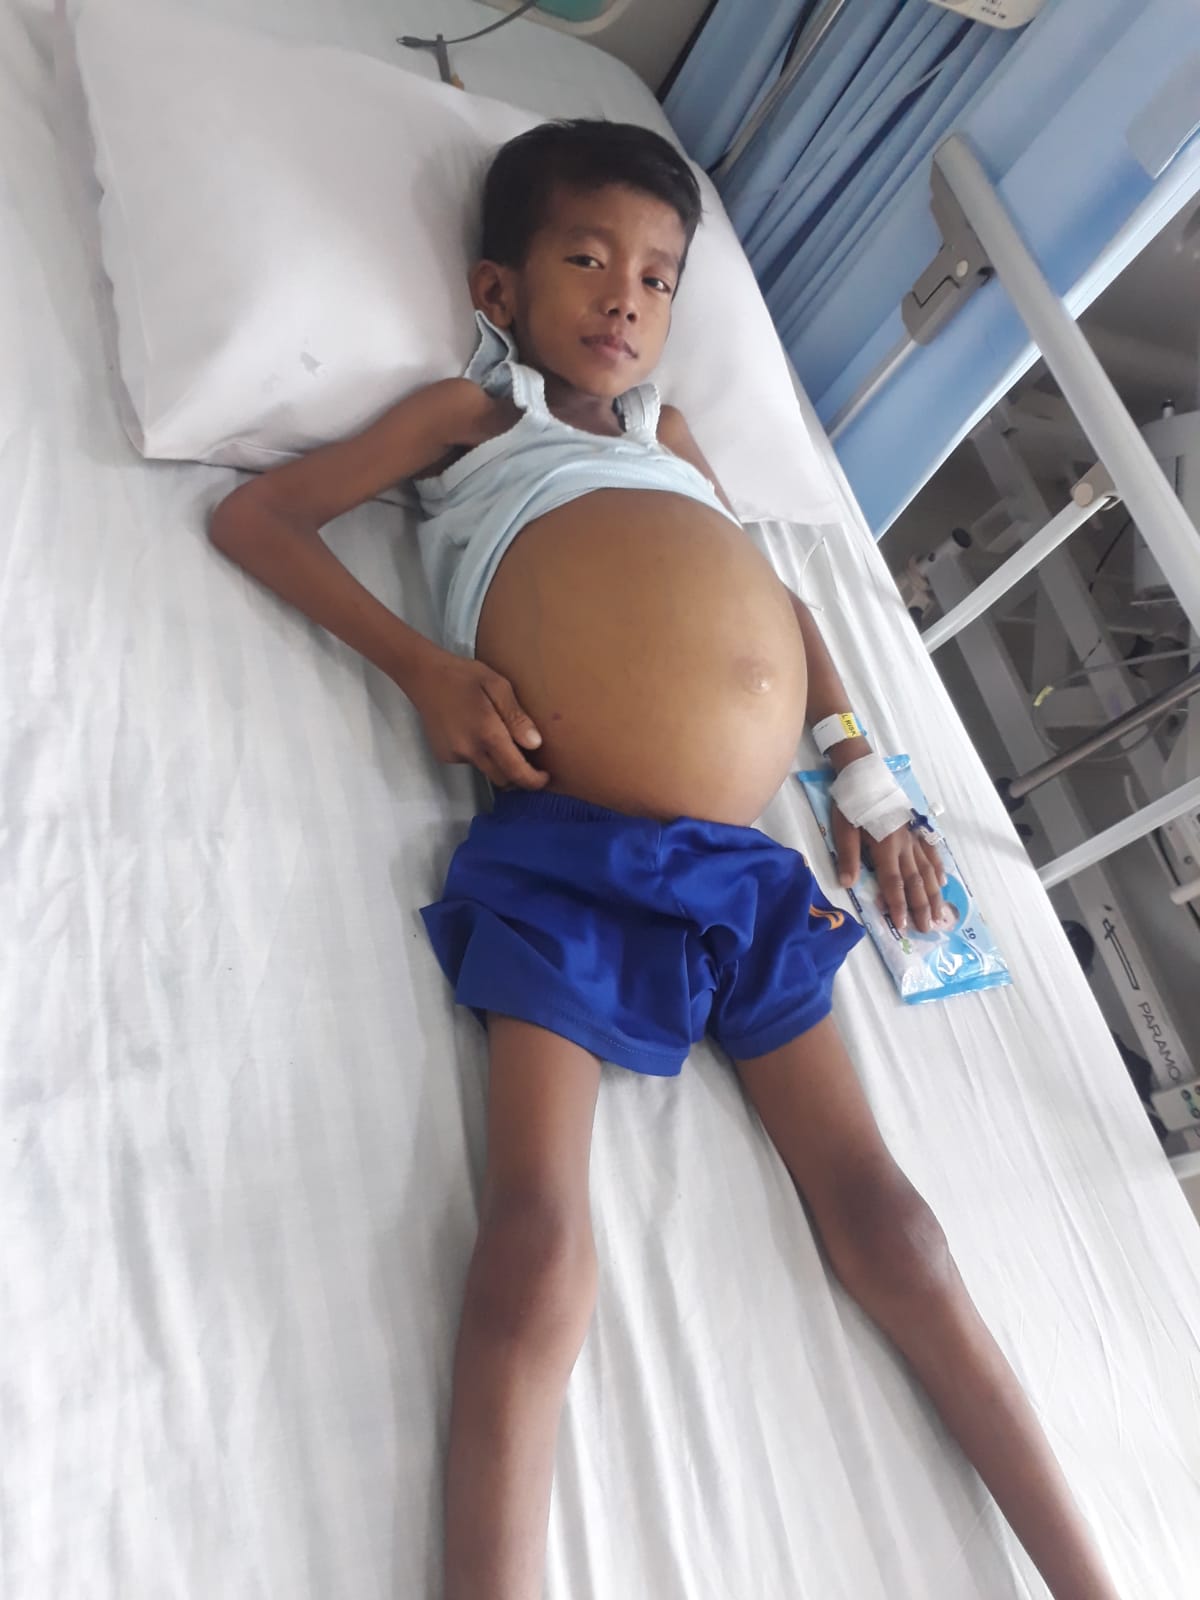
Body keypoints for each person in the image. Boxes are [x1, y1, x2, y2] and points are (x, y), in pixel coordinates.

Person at [209, 119, 1121, 1600]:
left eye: (655, 277)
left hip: (742, 866)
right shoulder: (474, 418)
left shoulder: (673, 437)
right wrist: (421, 670)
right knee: (535, 1243)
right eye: (586, 260)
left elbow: (779, 602)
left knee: (894, 1223)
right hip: (565, 847)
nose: (624, 299)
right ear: (499, 289)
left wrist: (859, 765)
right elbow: (259, 515)